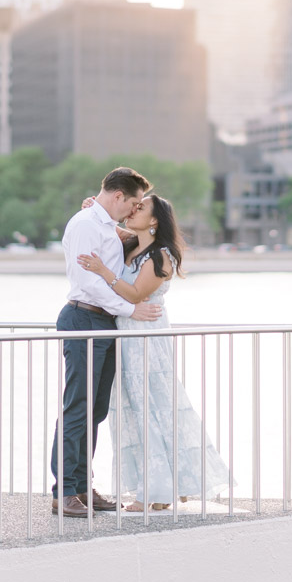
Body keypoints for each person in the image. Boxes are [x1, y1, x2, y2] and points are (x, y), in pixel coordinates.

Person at [78, 193, 230, 511]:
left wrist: (103, 271)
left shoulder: (161, 255)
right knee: (136, 411)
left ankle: (157, 492)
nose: (133, 210)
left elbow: (135, 293)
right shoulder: (133, 245)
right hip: (129, 338)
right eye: (133, 205)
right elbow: (108, 225)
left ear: (155, 219)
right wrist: (94, 207)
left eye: (141, 207)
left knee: (153, 409)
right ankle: (166, 488)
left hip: (146, 339)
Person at [50, 166, 162, 519]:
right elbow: (91, 281)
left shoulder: (104, 226)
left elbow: (137, 245)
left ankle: (82, 487)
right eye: (132, 203)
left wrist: (123, 312)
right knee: (77, 408)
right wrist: (130, 308)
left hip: (105, 321)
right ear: (117, 197)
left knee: (95, 411)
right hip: (84, 317)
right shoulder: (85, 225)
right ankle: (64, 491)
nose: (134, 210)